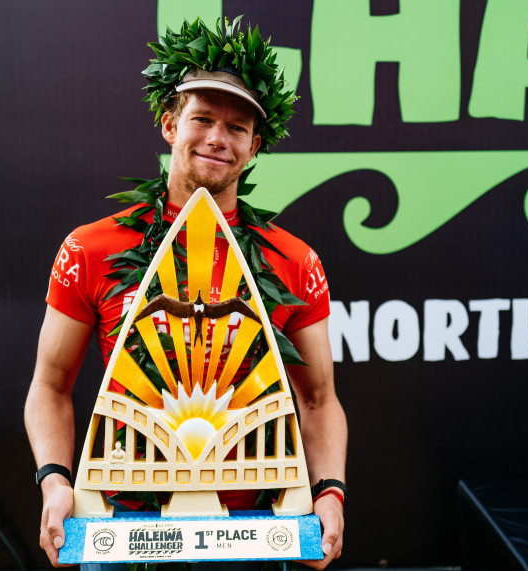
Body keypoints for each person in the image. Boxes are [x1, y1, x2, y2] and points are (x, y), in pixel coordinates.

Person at [24, 18, 347, 570]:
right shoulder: (91, 248)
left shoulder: (294, 261)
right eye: (202, 119)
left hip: (252, 533)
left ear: (255, 146)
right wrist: (56, 483)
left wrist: (328, 496)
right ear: (170, 124)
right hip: (118, 524)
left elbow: (317, 399)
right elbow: (50, 386)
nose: (218, 138)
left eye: (237, 127)